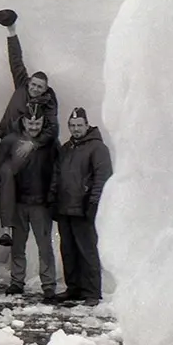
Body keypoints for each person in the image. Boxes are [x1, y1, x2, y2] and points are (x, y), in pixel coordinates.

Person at [0, 9, 59, 247]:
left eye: (41, 87)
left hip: (25, 146)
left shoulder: (48, 103)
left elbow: (52, 130)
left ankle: (8, 227)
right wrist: (11, 31)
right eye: (34, 84)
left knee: (10, 175)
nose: (36, 88)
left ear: (46, 89)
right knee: (0, 175)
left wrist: (34, 142)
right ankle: (8, 224)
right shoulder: (22, 84)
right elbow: (16, 60)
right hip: (6, 140)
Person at [0, 103, 58, 304]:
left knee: (44, 245)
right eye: (31, 122)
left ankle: (48, 285)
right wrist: (6, 181)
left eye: (38, 123)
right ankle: (17, 281)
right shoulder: (11, 140)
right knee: (18, 245)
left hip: (40, 203)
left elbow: (58, 168)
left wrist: (51, 193)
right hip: (18, 202)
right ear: (24, 120)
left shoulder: (50, 144)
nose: (34, 127)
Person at [51, 107, 113, 307]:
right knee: (68, 250)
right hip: (65, 207)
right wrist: (53, 197)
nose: (76, 129)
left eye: (79, 125)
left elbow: (102, 176)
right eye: (72, 126)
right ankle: (74, 287)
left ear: (87, 125)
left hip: (83, 207)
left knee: (87, 250)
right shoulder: (66, 148)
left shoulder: (97, 148)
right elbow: (57, 174)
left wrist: (94, 202)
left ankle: (92, 291)